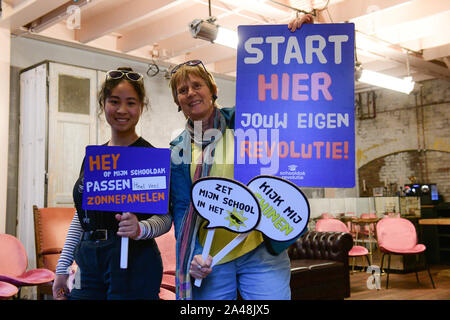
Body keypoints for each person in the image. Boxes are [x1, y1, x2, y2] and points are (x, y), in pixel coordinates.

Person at [169, 15, 314, 300]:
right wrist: (195, 257)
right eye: (182, 90)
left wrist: (295, 39)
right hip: (212, 254)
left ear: (213, 90)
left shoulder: (248, 119)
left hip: (260, 248)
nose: (190, 93)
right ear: (178, 102)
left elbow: (282, 95)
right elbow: (183, 208)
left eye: (197, 85)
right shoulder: (178, 149)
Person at [53, 67, 172, 300]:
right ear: (103, 104)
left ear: (141, 107)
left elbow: (165, 218)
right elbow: (81, 215)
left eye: (131, 103)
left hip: (134, 261)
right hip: (89, 260)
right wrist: (62, 267)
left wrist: (141, 229)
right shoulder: (93, 157)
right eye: (114, 101)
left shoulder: (149, 156)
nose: (122, 110)